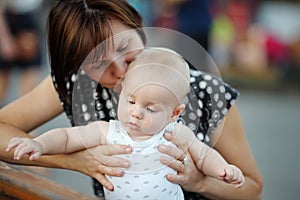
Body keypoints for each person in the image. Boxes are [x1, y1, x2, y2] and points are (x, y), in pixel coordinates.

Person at [0, 1, 263, 199]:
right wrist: (74, 160)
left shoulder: (207, 92)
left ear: (138, 25)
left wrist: (198, 181)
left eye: (124, 48)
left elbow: (252, 189)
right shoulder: (74, 83)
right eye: (99, 64)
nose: (121, 71)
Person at [6, 47, 245, 199]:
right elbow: (67, 138)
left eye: (150, 108)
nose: (136, 113)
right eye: (130, 101)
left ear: (174, 113)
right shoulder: (109, 130)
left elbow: (204, 156)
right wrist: (40, 145)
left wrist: (223, 170)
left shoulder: (176, 133)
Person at [0, 0, 44, 106]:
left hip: (30, 17)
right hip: (9, 18)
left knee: (30, 84)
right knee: (3, 79)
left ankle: (29, 118)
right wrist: (4, 38)